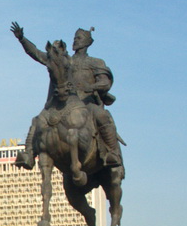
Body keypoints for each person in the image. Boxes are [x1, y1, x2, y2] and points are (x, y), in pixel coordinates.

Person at [11, 23, 123, 170]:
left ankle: (112, 153)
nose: (75, 41)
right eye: (75, 38)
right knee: (38, 120)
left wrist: (90, 87)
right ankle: (28, 154)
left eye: (79, 38)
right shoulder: (64, 59)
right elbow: (37, 54)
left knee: (101, 115)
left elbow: (105, 83)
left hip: (86, 103)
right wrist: (22, 39)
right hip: (64, 103)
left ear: (87, 42)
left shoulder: (95, 62)